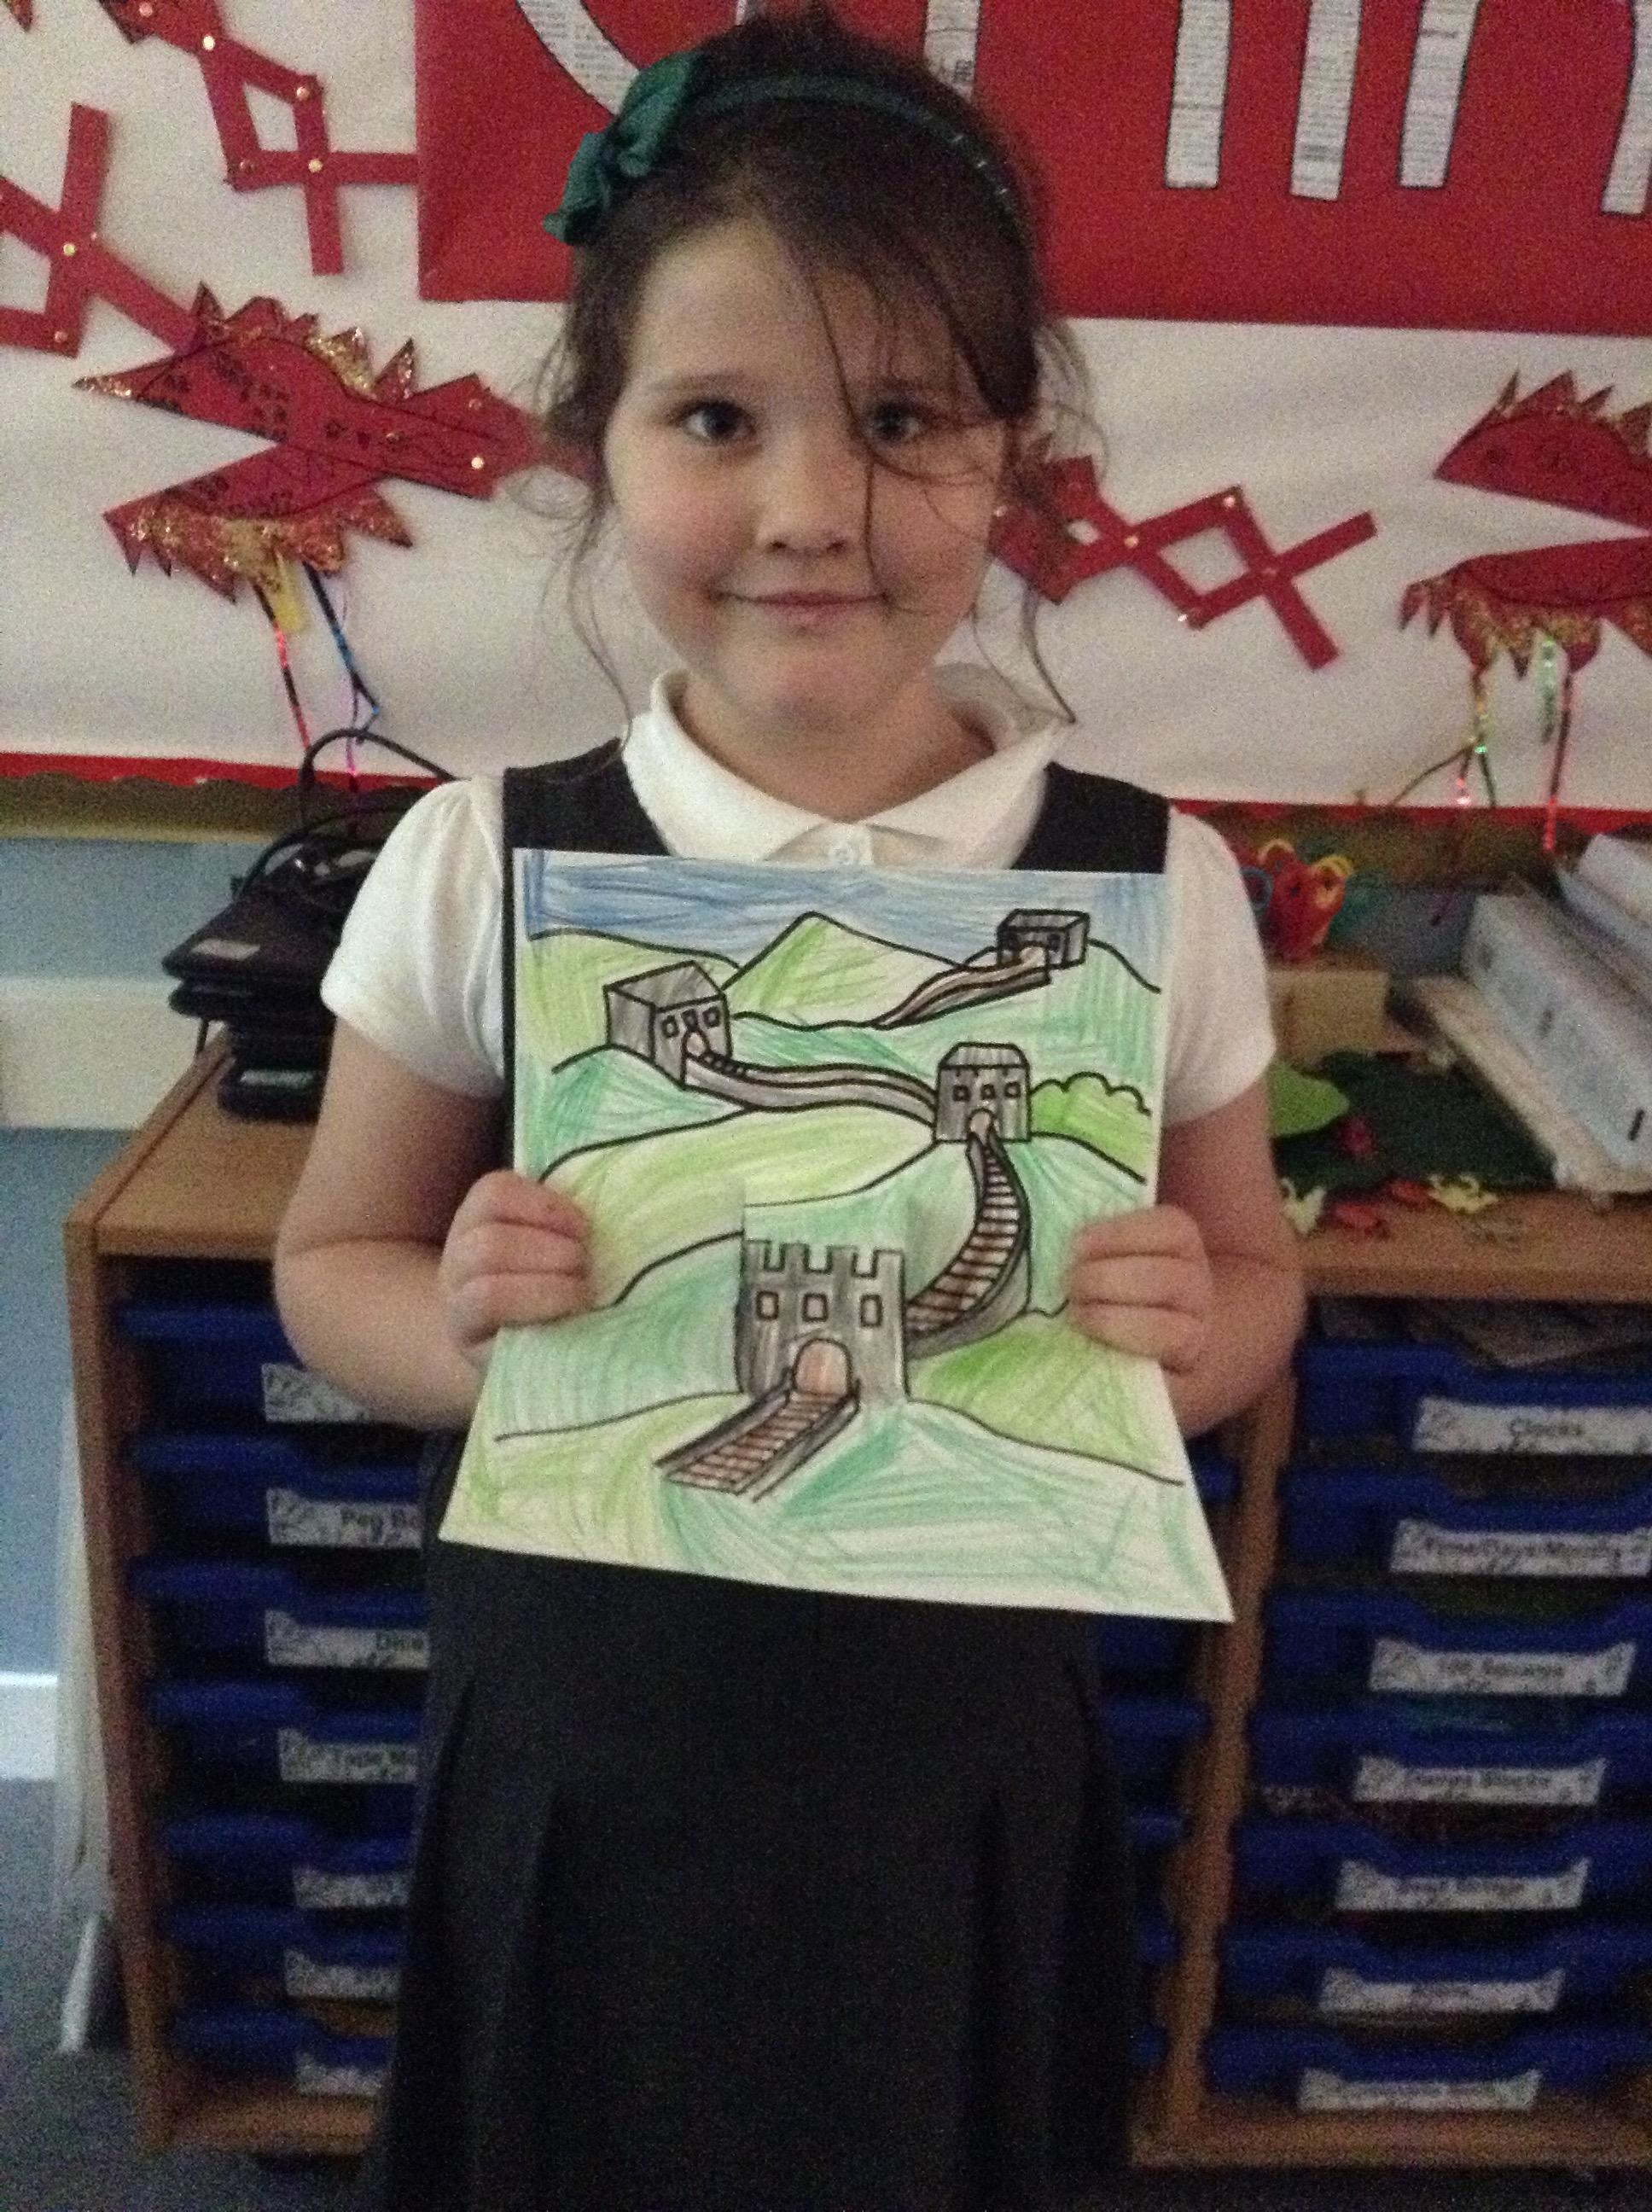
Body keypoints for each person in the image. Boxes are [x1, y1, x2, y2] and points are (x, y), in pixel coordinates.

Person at [274, 9, 1304, 2207]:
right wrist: (447, 1319)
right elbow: (328, 1261)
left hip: (952, 1765)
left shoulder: (1150, 883)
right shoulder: (482, 856)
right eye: (716, 419)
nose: (810, 510)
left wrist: (1181, 1332)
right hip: (587, 1743)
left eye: (901, 420)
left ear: (1012, 454)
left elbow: (1252, 1280)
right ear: (597, 440)